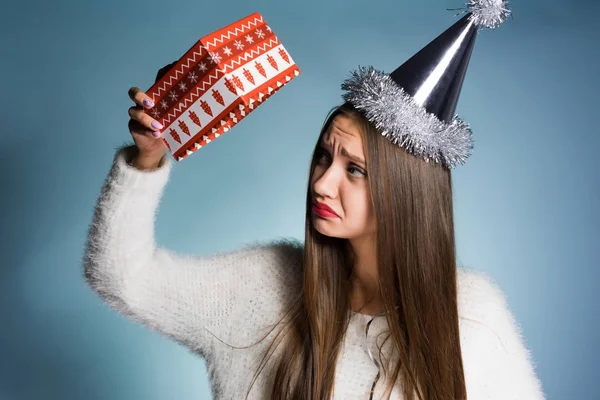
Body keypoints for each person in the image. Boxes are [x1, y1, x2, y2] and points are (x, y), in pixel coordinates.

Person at [83, 3, 545, 399]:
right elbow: (122, 278)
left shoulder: (472, 316)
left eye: (355, 170)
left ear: (408, 193)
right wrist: (147, 160)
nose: (323, 184)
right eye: (324, 157)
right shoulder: (262, 287)